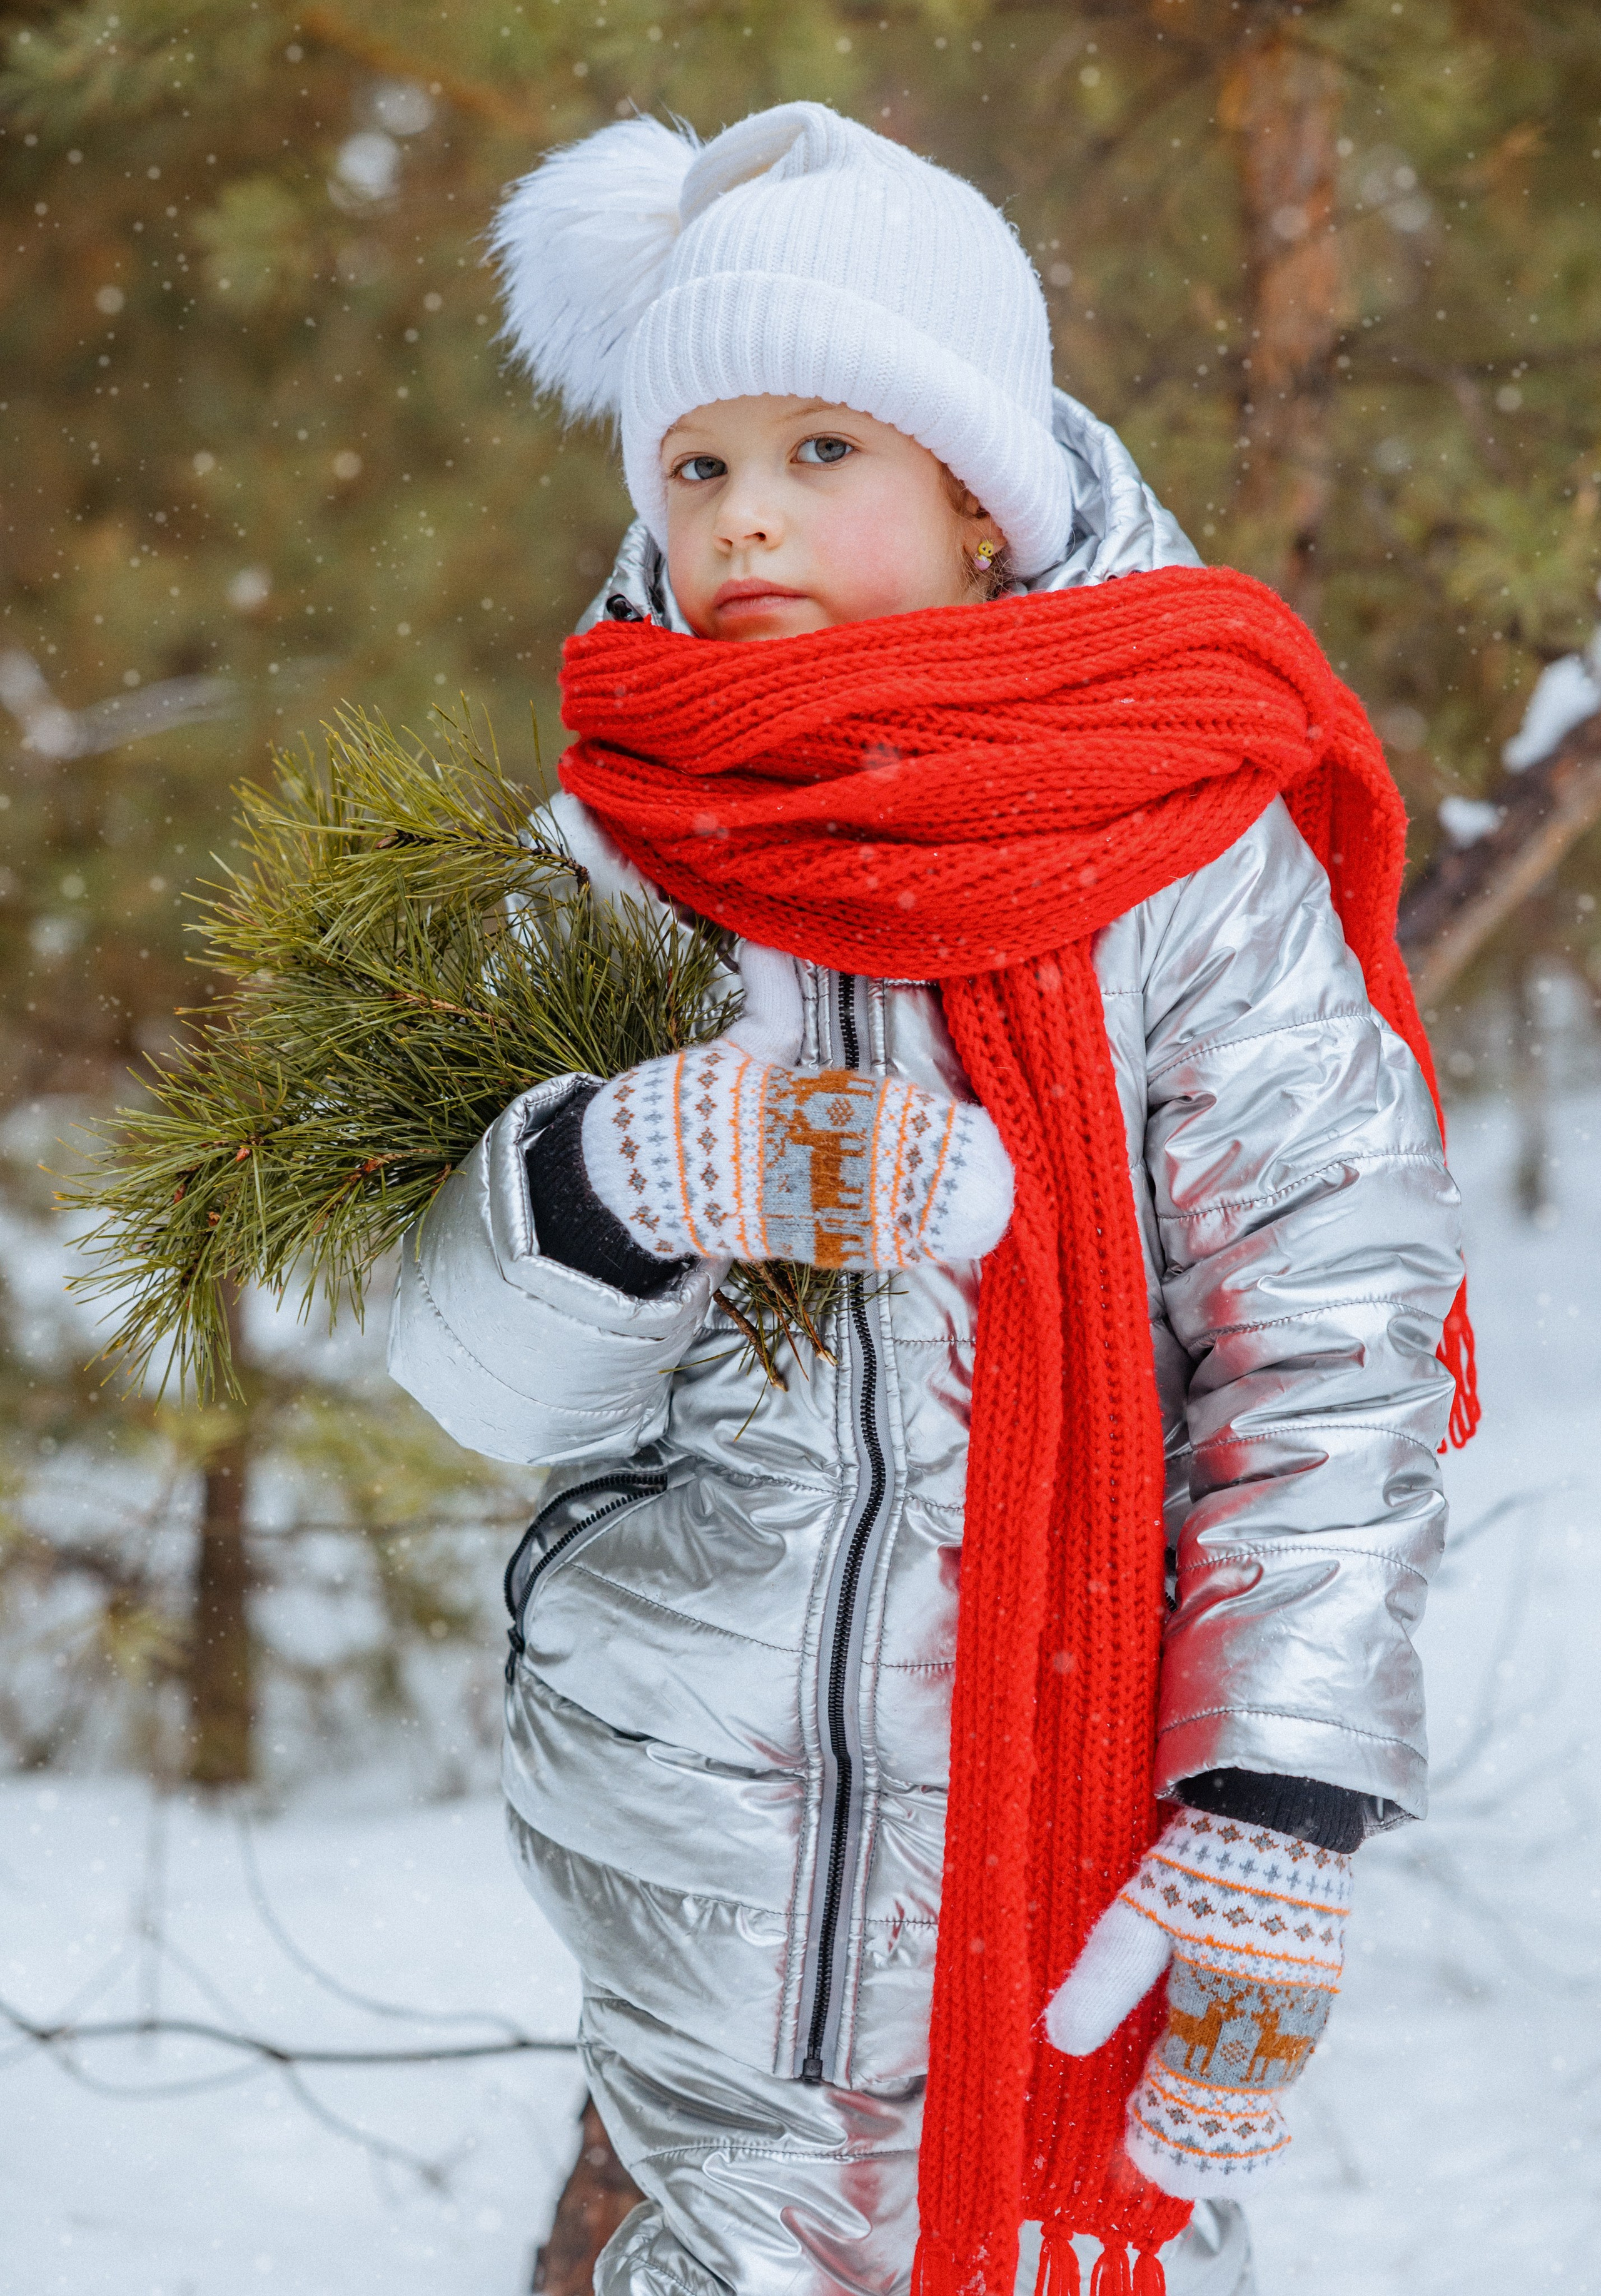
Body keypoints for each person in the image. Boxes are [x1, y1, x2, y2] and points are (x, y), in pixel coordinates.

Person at [388, 103, 1468, 2296]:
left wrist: (1279, 1797)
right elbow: (464, 1363)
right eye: (696, 466)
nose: (744, 517)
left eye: (821, 453)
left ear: (981, 502)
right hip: (703, 1818)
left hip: (1097, 1810)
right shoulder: (609, 856)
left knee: (1102, 2244)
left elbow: (1332, 1332)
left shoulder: (1176, 838)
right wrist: (627, 1174)